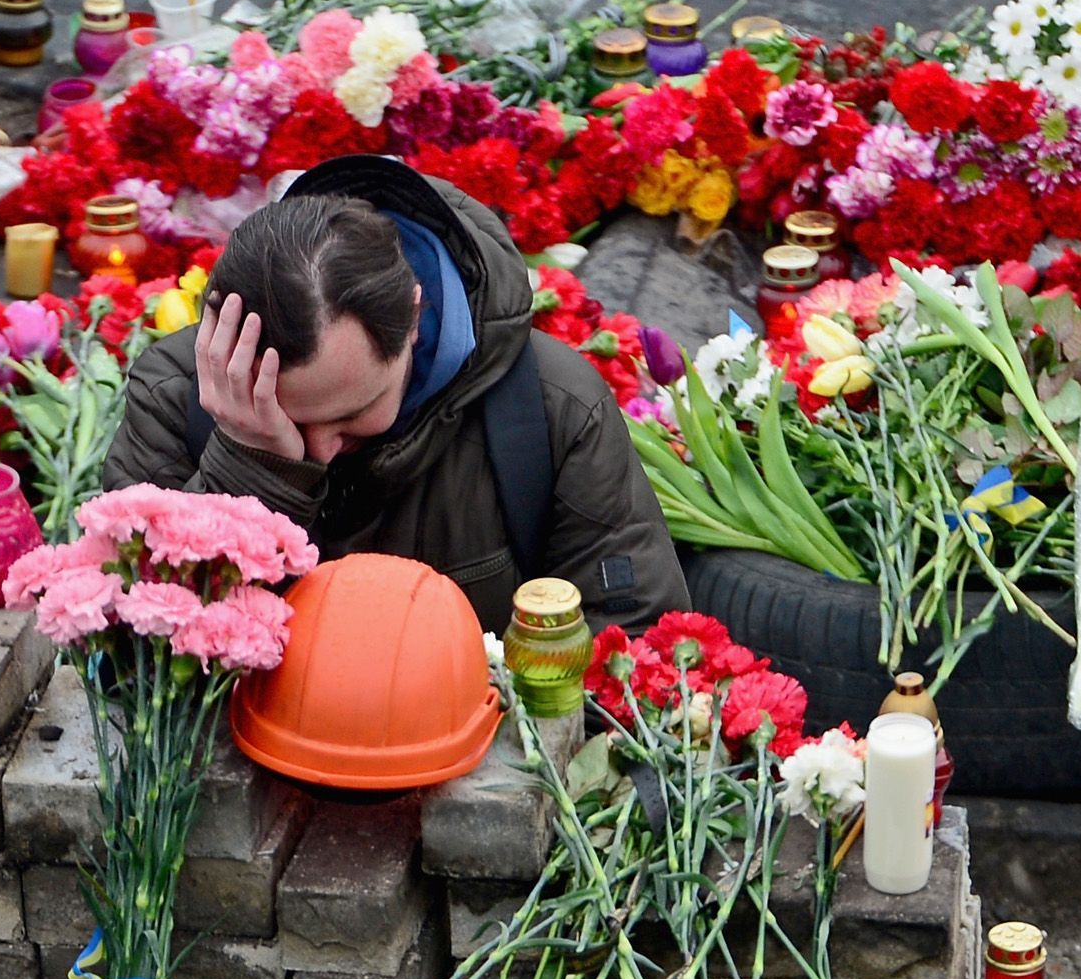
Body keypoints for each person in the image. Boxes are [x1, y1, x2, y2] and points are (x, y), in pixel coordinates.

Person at [101, 155, 688, 633]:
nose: (321, 450)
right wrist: (252, 467)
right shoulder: (175, 397)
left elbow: (634, 640)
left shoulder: (551, 407)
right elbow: (132, 657)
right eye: (283, 417)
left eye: (351, 414)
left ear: (412, 318)